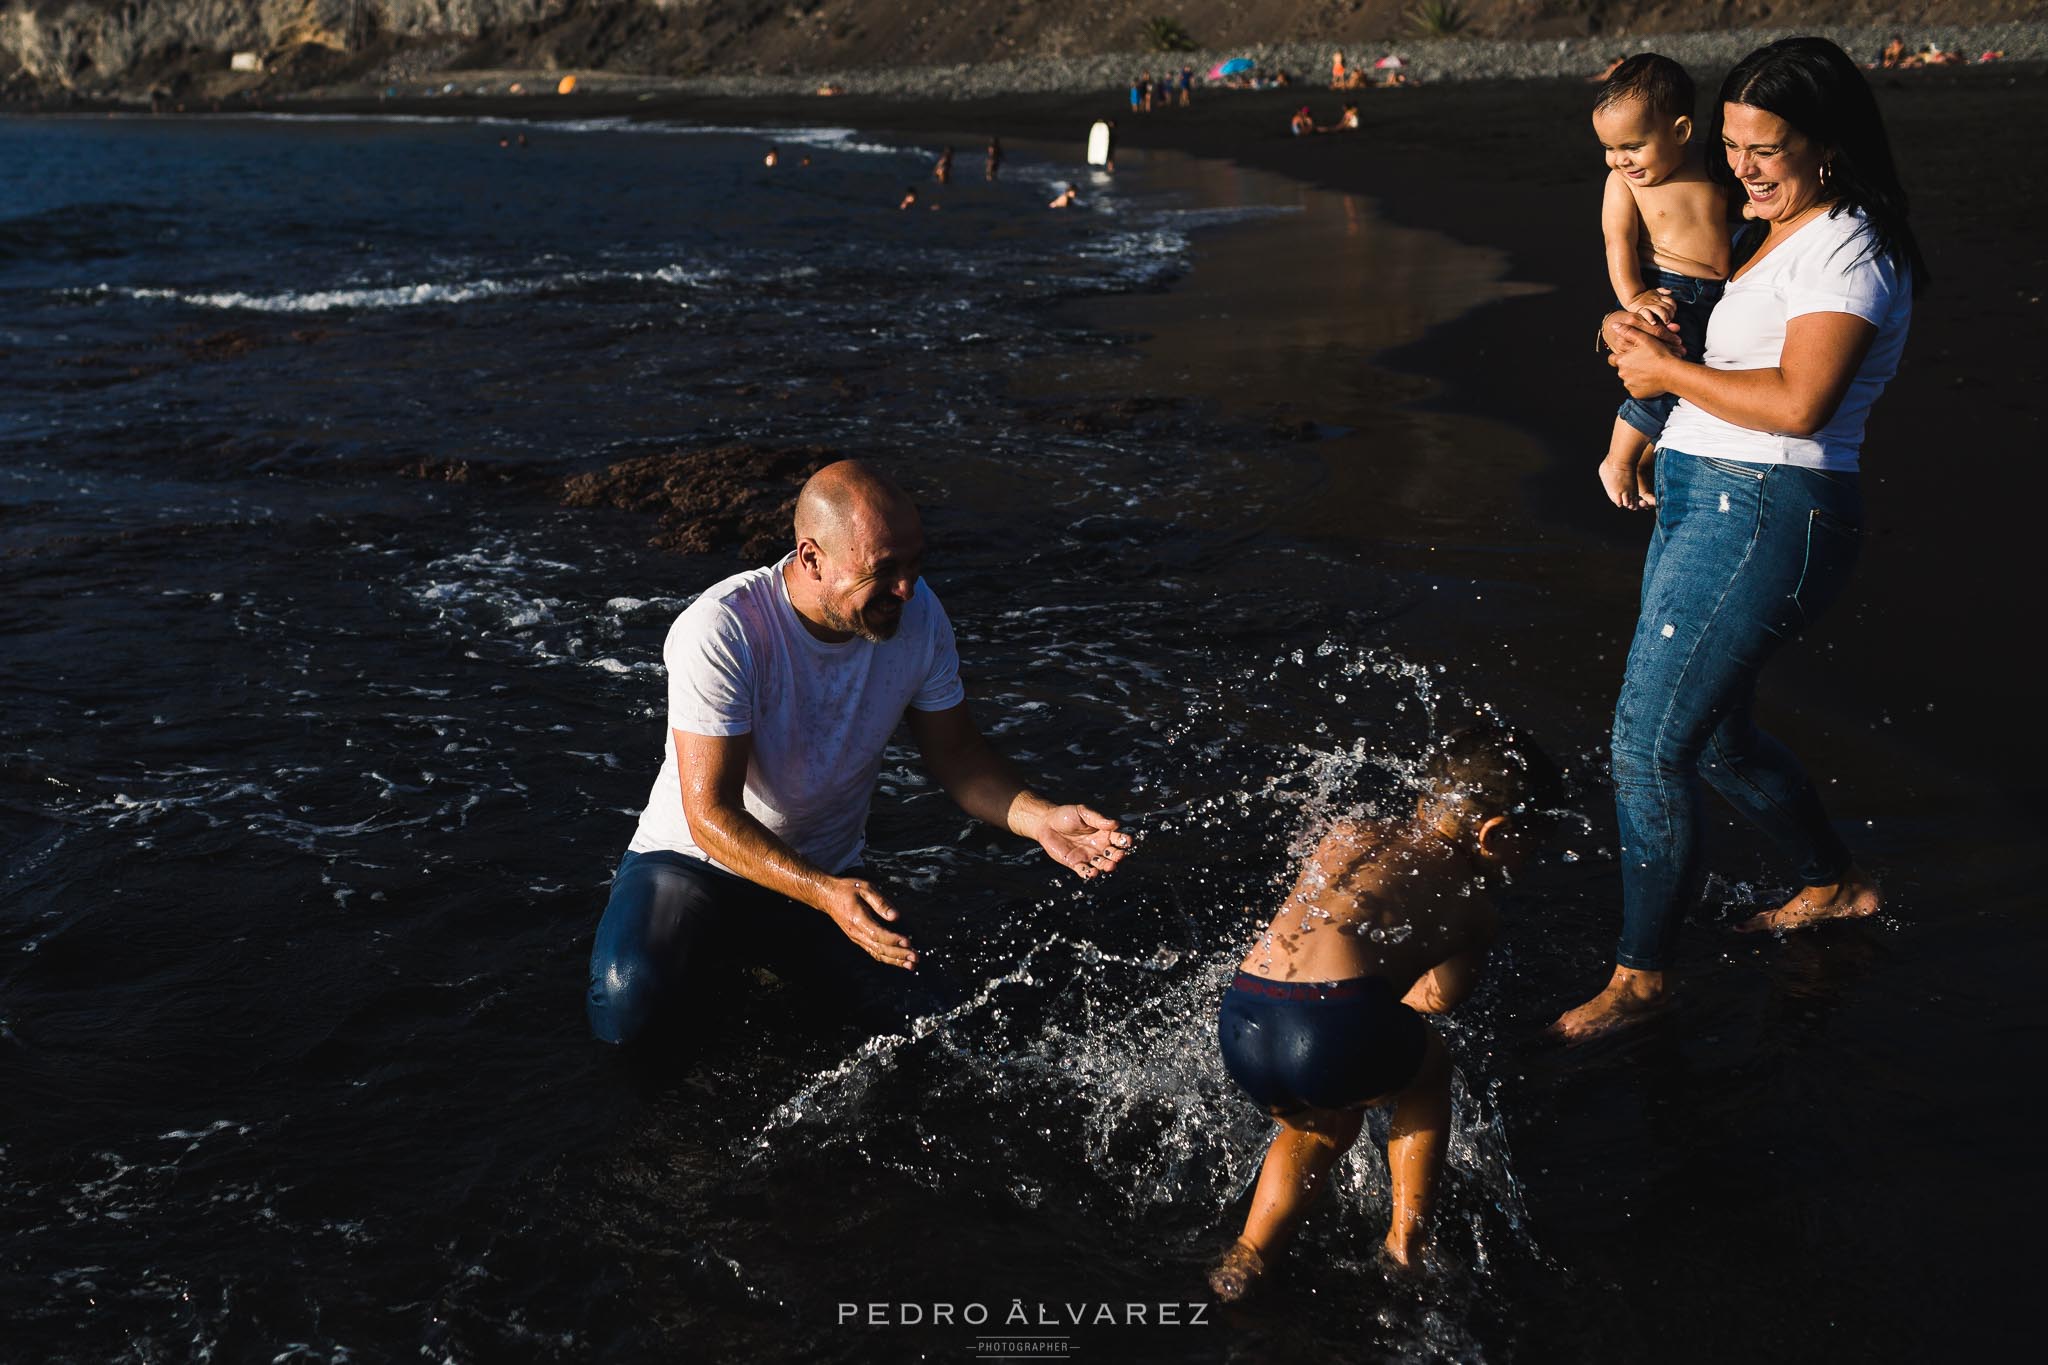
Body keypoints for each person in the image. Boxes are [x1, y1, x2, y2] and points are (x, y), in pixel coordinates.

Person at [1555, 37, 1926, 1042]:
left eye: (1762, 148)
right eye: (1728, 145)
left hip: (1766, 508)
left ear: (1827, 144)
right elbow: (1707, 346)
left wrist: (1665, 378)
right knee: (1710, 739)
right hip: (1702, 492)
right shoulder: (1766, 229)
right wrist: (1636, 342)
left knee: (1644, 747)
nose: (1739, 167)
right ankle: (1832, 886)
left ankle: (1640, 980)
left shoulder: (1847, 246)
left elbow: (1800, 401)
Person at [585, 462, 1132, 1044]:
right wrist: (825, 894)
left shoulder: (918, 616)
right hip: (694, 864)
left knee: (932, 1028)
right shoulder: (725, 629)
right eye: (884, 570)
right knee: (629, 1005)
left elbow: (960, 756)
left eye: (915, 564)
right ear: (811, 557)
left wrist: (1040, 819)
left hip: (829, 872)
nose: (906, 589)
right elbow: (710, 816)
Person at [1209, 728, 1561, 1300]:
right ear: (1495, 835)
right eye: (1534, 842)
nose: (1535, 856)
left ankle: (1247, 1258)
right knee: (1430, 1069)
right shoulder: (1475, 904)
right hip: (1334, 1024)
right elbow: (1443, 999)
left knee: (1318, 1123)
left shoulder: (1351, 831)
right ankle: (1405, 1245)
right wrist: (1381, 1008)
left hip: (1246, 1011)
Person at [1591, 55, 1736, 511]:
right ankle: (1617, 459)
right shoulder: (1625, 184)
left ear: (1679, 132)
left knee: (1696, 387)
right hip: (1666, 292)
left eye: (1632, 145)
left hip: (1721, 294)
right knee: (1662, 376)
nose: (1620, 159)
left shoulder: (1711, 167)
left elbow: (1726, 216)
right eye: (1610, 148)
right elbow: (1618, 242)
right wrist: (1634, 298)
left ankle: (1645, 458)